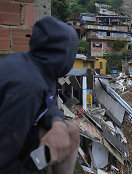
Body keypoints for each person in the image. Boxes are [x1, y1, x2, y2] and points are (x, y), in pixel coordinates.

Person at [0, 16, 80, 173]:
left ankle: (35, 162)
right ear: (65, 55)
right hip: (6, 153)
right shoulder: (26, 88)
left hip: (14, 136)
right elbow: (3, 160)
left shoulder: (38, 66)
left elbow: (49, 101)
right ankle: (34, 164)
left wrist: (57, 123)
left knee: (70, 132)